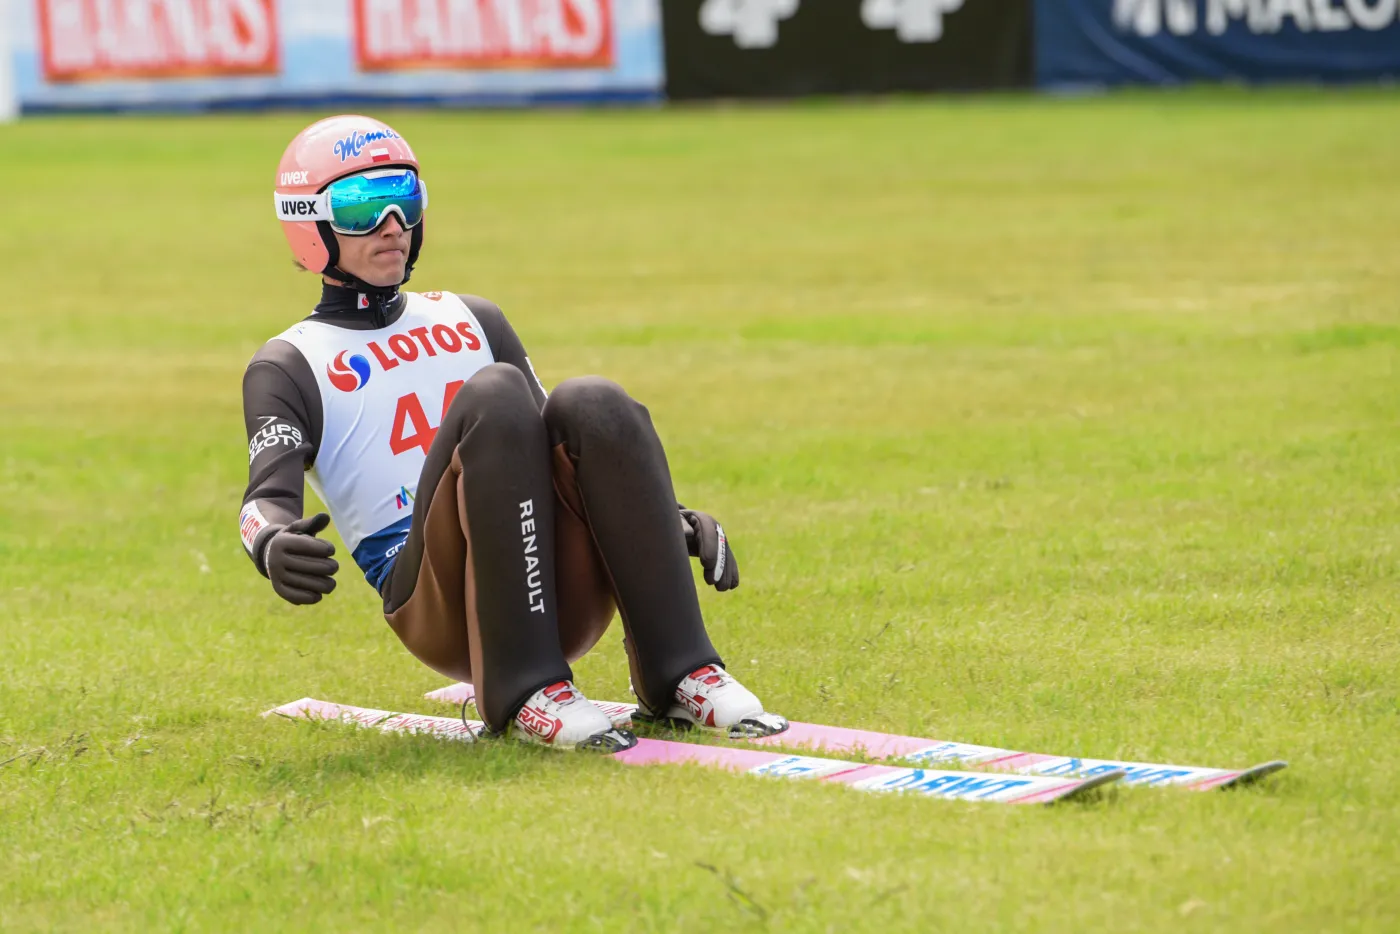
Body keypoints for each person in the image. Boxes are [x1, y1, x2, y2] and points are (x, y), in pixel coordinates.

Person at [240, 115, 786, 751]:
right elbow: (263, 499)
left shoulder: (473, 317)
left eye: (404, 198)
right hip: (441, 603)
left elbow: (570, 451)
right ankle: (523, 687)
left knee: (593, 400)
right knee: (496, 395)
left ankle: (682, 672)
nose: (391, 224)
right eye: (361, 207)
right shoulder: (289, 363)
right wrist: (271, 542)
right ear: (310, 225)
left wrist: (668, 520)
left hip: (550, 578)